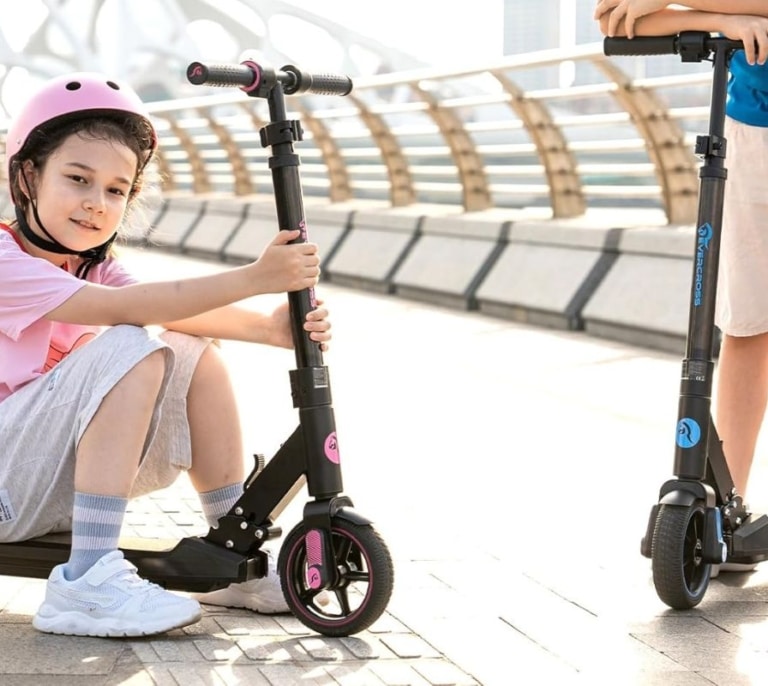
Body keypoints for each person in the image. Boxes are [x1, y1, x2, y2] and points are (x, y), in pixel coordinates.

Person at [0, 71, 332, 637]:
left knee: (186, 349)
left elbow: (176, 312)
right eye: (77, 179)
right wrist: (256, 277)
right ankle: (86, 583)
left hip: (41, 479)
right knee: (131, 342)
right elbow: (139, 306)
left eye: (114, 190)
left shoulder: (93, 267)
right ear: (29, 175)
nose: (95, 204)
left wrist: (273, 328)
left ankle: (233, 548)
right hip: (7, 487)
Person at [594, 1, 768, 573]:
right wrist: (729, 21)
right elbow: (619, 17)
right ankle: (728, 507)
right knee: (747, 325)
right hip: (752, 129)